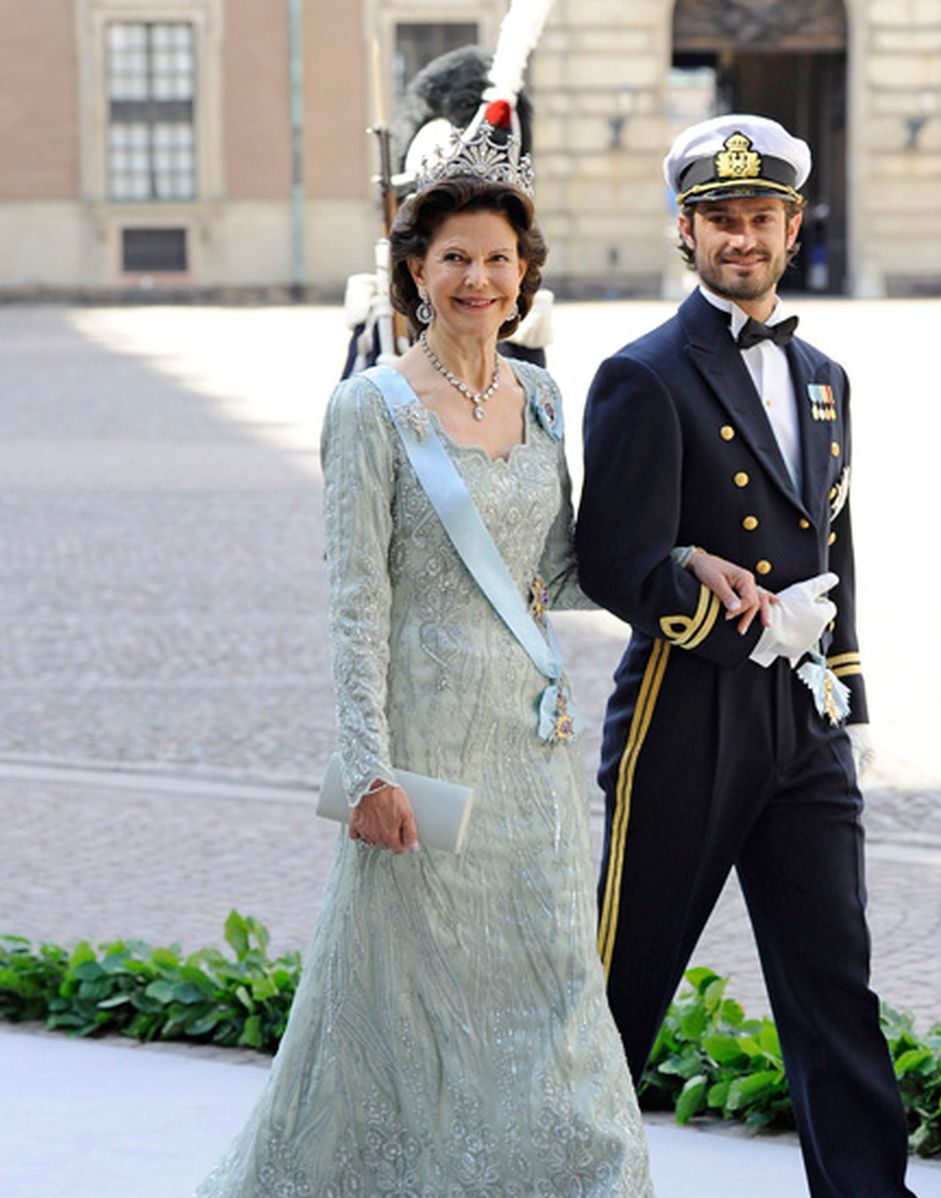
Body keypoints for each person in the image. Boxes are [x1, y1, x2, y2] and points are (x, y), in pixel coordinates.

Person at [195, 125, 654, 1197]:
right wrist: (369, 769)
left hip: (531, 756)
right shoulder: (369, 411)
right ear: (414, 268)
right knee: (401, 1003)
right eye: (454, 257)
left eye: (497, 259)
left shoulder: (540, 399)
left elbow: (560, 573)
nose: (477, 279)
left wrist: (681, 569)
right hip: (424, 765)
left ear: (524, 275)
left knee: (551, 998)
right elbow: (355, 603)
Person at [575, 113, 916, 1198]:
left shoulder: (824, 375)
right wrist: (694, 579)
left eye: (759, 217)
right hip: (686, 710)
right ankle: (560, 1173)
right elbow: (609, 560)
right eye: (719, 219)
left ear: (791, 225)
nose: (741, 237)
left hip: (800, 722)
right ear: (684, 229)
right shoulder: (643, 374)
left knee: (833, 982)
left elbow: (834, 545)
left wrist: (843, 697)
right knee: (622, 984)